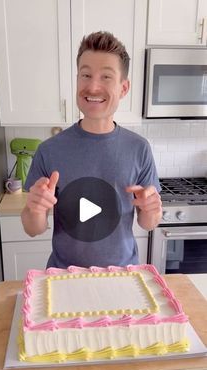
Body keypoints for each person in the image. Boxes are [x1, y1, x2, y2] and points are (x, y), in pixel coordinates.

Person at [21, 31, 162, 268]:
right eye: (86, 75)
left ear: (123, 88)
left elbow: (148, 223)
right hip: (64, 276)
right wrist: (35, 208)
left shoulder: (139, 148)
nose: (93, 86)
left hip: (122, 275)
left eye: (106, 77)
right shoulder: (49, 150)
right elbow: (32, 228)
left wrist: (152, 209)